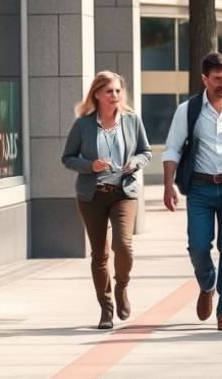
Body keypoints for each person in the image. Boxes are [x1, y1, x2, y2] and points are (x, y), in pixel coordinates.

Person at [162, 52, 222, 331]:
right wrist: (169, 185)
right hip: (200, 189)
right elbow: (172, 148)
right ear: (205, 79)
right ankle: (207, 284)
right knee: (198, 248)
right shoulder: (189, 110)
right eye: (217, 78)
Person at [61, 71, 152, 330]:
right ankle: (106, 309)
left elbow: (145, 151)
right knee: (99, 254)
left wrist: (135, 162)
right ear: (97, 94)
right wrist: (91, 165)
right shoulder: (83, 124)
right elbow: (67, 158)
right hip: (92, 196)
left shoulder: (132, 121)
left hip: (123, 193)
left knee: (123, 246)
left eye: (118, 91)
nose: (115, 95)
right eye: (109, 91)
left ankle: (121, 286)